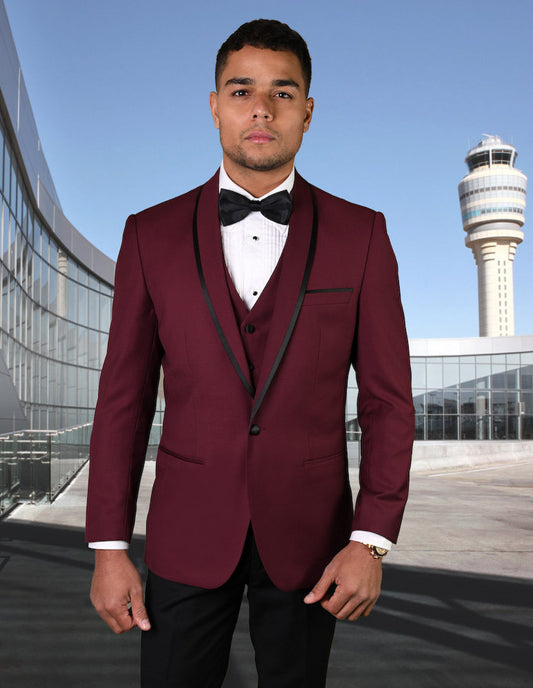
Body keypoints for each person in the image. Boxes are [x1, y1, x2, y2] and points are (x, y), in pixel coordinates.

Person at [86, 18, 414, 688]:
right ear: (214, 107)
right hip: (185, 531)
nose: (260, 109)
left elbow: (387, 401)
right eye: (241, 91)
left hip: (313, 541)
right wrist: (108, 546)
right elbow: (123, 399)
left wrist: (369, 538)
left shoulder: (362, 235)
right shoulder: (150, 235)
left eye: (282, 93)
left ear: (307, 111)